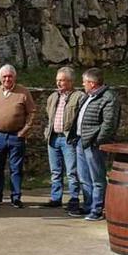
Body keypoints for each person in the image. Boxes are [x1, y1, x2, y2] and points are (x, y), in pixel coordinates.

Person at [0, 64, 36, 208]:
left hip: (16, 137)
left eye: (10, 76)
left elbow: (32, 113)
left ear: (14, 77)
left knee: (16, 169)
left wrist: (24, 131)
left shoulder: (23, 92)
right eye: (4, 76)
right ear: (0, 78)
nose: (7, 79)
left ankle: (16, 197)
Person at [71, 68, 120, 221]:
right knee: (84, 177)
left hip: (93, 143)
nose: (82, 84)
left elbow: (109, 124)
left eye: (84, 82)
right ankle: (88, 206)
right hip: (81, 141)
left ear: (92, 83)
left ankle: (97, 209)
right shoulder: (88, 96)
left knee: (97, 178)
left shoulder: (108, 97)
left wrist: (97, 141)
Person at [43, 67, 86, 212]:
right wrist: (46, 132)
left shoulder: (79, 96)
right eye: (57, 80)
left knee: (71, 172)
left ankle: (74, 198)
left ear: (71, 81)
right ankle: (56, 198)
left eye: (62, 80)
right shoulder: (53, 97)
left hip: (68, 139)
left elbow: (82, 119)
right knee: (55, 171)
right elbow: (48, 117)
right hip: (53, 138)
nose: (59, 83)